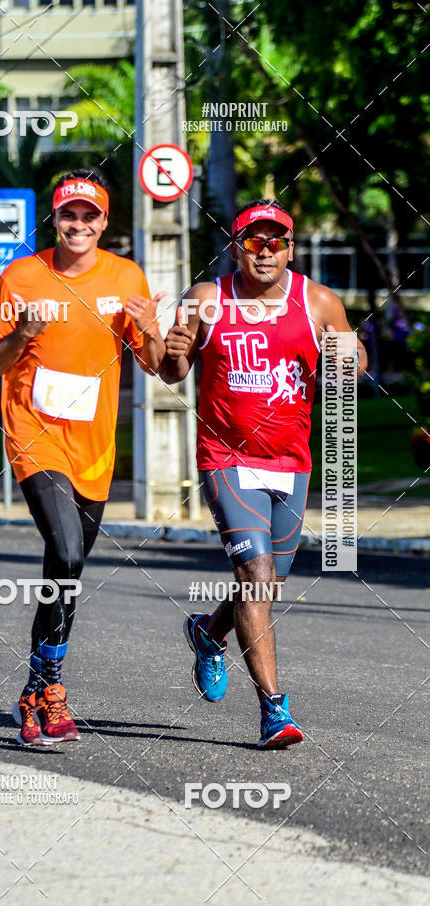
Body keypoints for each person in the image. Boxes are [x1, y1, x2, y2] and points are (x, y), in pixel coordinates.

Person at [161, 198, 367, 749]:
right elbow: (172, 370)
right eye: (254, 241)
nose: (265, 250)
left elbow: (354, 362)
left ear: (291, 248)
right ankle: (274, 709)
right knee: (256, 575)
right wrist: (176, 351)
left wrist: (348, 358)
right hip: (226, 456)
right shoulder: (206, 299)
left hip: (291, 460)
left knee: (268, 583)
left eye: (276, 241)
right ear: (237, 247)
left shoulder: (318, 301)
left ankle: (209, 632)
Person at [0, 170, 165, 746]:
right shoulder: (21, 277)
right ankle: (52, 686)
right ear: (53, 220)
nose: (78, 225)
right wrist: (21, 336)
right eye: (68, 215)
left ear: (104, 222)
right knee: (66, 547)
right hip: (35, 433)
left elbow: (153, 362)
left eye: (90, 216)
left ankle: (36, 689)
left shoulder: (126, 276)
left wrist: (153, 329)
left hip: (94, 445)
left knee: (70, 568)